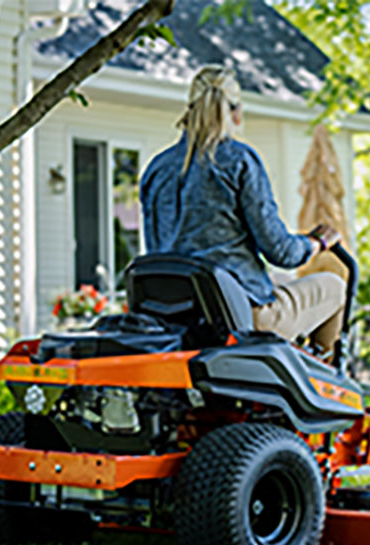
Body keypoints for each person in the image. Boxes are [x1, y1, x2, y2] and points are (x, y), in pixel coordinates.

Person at [139, 65, 345, 355]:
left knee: (280, 284)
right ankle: (325, 386)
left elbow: (159, 254)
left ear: (188, 112)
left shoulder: (156, 170)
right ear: (237, 113)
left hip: (177, 322)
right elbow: (281, 252)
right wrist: (318, 242)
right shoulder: (239, 161)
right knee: (334, 286)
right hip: (243, 322)